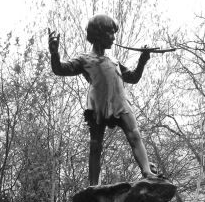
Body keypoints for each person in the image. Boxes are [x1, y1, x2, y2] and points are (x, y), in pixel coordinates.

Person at [48, 14, 157, 185]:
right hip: (98, 105)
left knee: (135, 135)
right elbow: (60, 69)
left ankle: (147, 171)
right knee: (95, 145)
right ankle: (93, 185)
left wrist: (143, 60)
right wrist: (54, 53)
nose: (114, 37)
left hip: (120, 103)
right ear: (98, 34)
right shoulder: (84, 59)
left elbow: (134, 77)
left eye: (114, 33)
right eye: (110, 32)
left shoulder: (114, 60)